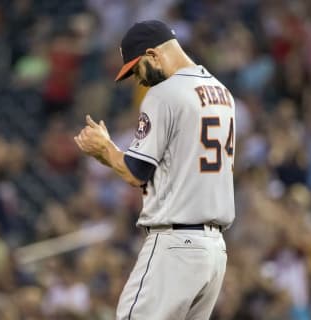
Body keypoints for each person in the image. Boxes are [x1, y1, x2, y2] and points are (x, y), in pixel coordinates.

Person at [74, 20, 236, 319]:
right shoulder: (222, 92)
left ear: (153, 53)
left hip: (175, 245)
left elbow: (135, 173)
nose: (138, 79)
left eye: (137, 68)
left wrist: (105, 148)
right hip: (214, 252)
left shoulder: (165, 94)